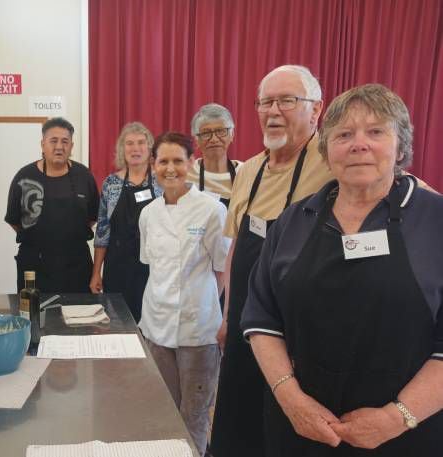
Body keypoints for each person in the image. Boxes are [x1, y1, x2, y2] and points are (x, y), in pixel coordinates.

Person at [241, 83, 443, 456]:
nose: (359, 144)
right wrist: (290, 399)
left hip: (408, 434)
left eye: (376, 131)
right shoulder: (294, 220)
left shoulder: (435, 221)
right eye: (344, 134)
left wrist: (397, 418)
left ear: (400, 146)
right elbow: (262, 318)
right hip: (301, 430)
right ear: (327, 149)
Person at [210, 65, 334, 456]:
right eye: (265, 102)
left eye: (287, 100)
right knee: (238, 423)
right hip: (246, 323)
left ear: (317, 110)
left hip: (302, 332)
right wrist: (229, 316)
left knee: (285, 428)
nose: (273, 110)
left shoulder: (334, 161)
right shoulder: (248, 170)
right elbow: (235, 252)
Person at [138, 132, 230, 457]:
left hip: (198, 330)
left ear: (192, 163)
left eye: (178, 160)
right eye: (163, 161)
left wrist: (211, 311)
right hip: (156, 327)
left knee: (193, 415)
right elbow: (152, 266)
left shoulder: (212, 210)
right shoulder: (148, 213)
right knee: (162, 411)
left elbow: (224, 269)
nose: (171, 168)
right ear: (153, 165)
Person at [5, 117, 100, 292]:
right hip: (35, 265)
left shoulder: (84, 176)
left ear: (71, 146)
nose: (59, 146)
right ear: (42, 144)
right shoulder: (25, 177)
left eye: (65, 141)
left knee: (80, 317)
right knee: (35, 317)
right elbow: (14, 220)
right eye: (53, 141)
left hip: (76, 266)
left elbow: (92, 217)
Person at [89, 122, 161, 322]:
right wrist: (96, 273)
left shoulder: (162, 181)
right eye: (129, 143)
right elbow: (102, 232)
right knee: (118, 322)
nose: (135, 148)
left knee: (151, 324)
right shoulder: (111, 184)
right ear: (122, 149)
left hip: (154, 267)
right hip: (118, 266)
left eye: (140, 143)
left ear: (150, 148)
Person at [187, 103, 242, 207]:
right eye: (206, 133)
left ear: (232, 135)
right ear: (196, 140)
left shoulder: (246, 172)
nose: (214, 139)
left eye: (221, 131)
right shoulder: (186, 173)